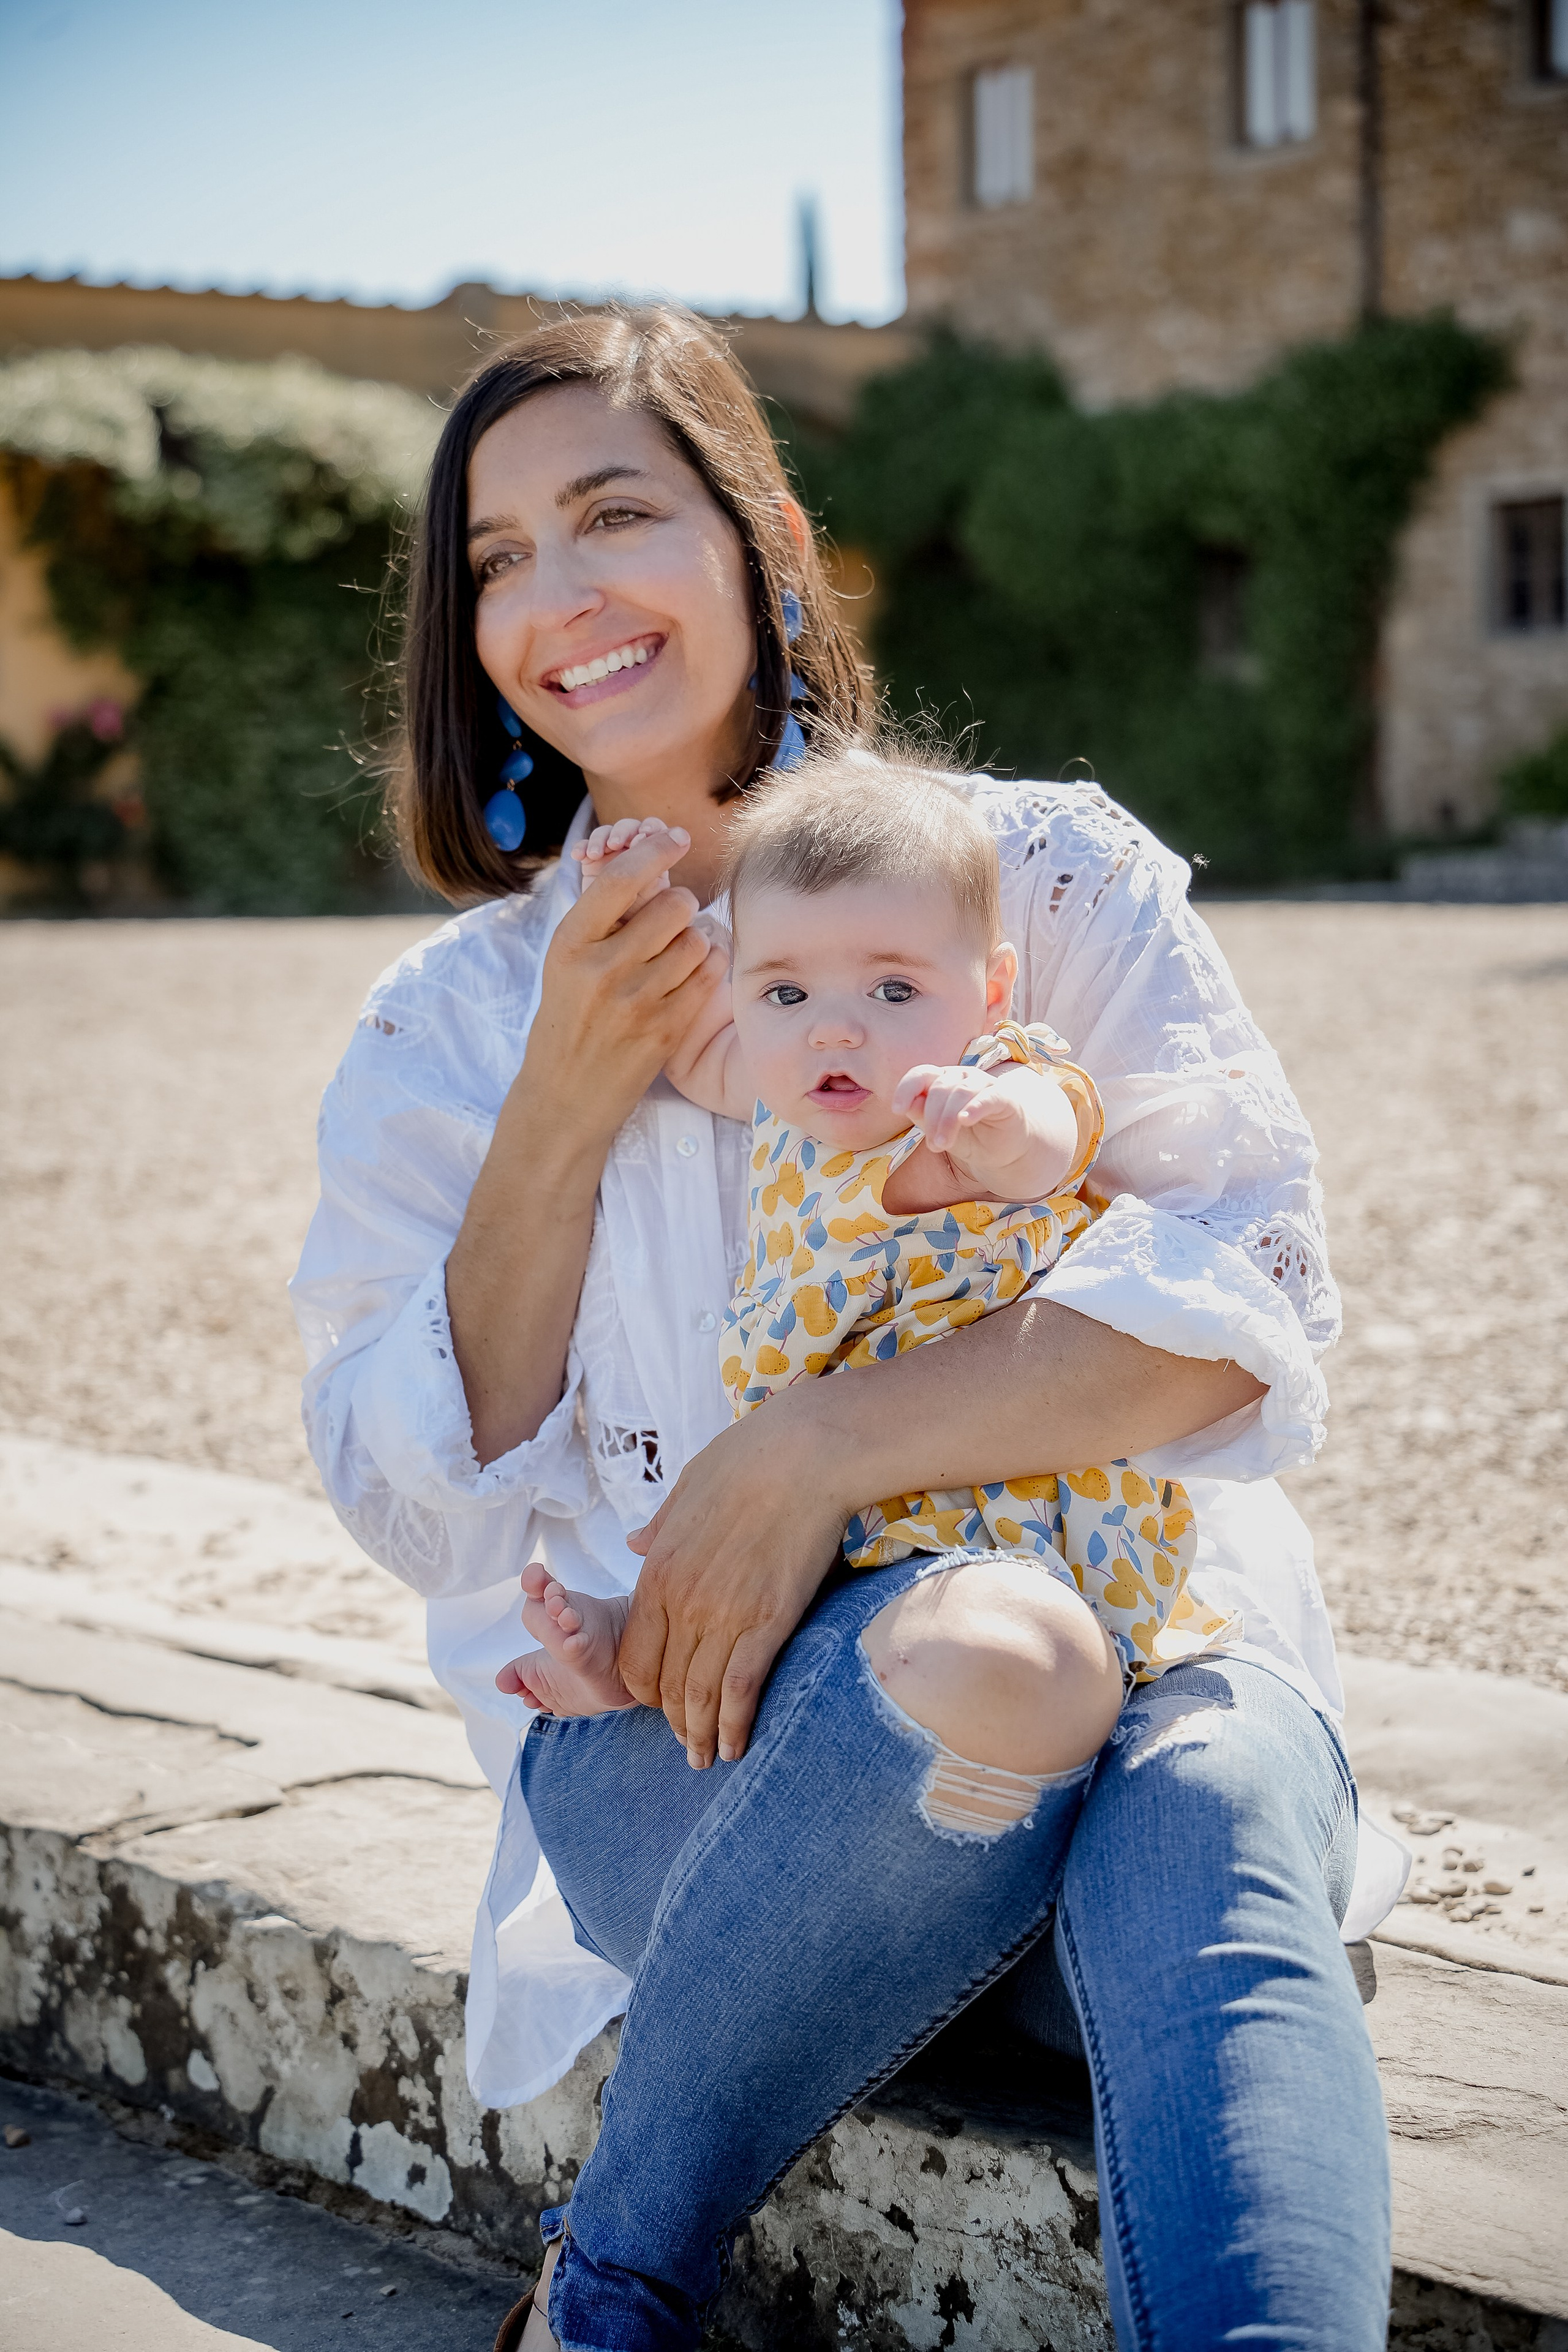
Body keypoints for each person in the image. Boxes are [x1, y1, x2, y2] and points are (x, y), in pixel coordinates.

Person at [290, 306, 1401, 2352]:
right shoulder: (447, 1026)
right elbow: (416, 1509)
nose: (558, 595)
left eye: (614, 514)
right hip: (694, 1762)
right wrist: (559, 1111)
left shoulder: (1038, 877)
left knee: (1196, 1784)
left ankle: (602, 2294)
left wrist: (813, 1450)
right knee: (1050, 1714)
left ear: (771, 544)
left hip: (1148, 1650)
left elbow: (1247, 1308)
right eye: (499, 559)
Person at [500, 760, 1236, 1752]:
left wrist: (992, 1123)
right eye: (786, 991)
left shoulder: (989, 1079)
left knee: (941, 1620)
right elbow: (688, 1038)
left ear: (991, 991)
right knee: (774, 1588)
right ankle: (642, 1641)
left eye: (894, 989)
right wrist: (631, 899)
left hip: (976, 1471)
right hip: (819, 1499)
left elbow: (1054, 1139)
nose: (834, 1029)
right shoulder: (778, 1094)